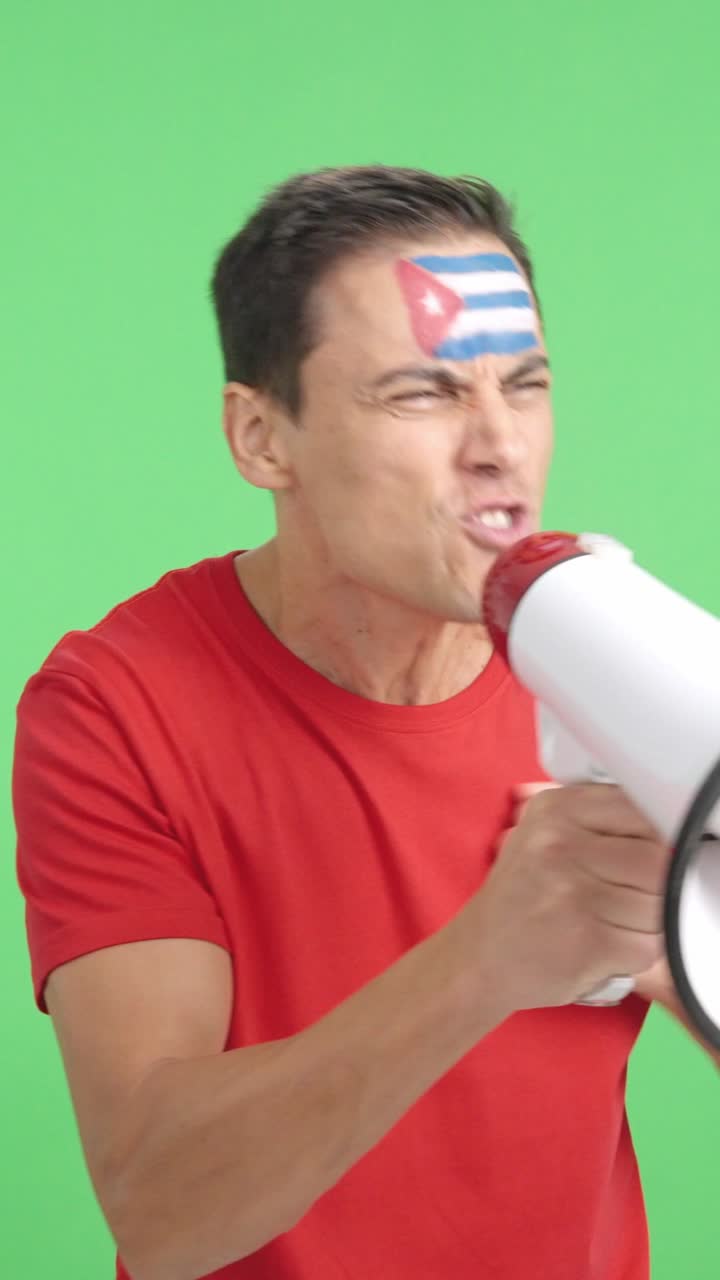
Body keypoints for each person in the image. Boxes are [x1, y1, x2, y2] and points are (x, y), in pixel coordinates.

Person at [12, 165, 717, 1280]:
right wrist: (492, 956)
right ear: (262, 438)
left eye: (524, 385)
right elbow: (158, 1207)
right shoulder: (117, 705)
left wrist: (683, 927)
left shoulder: (625, 660)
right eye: (422, 393)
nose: (500, 446)